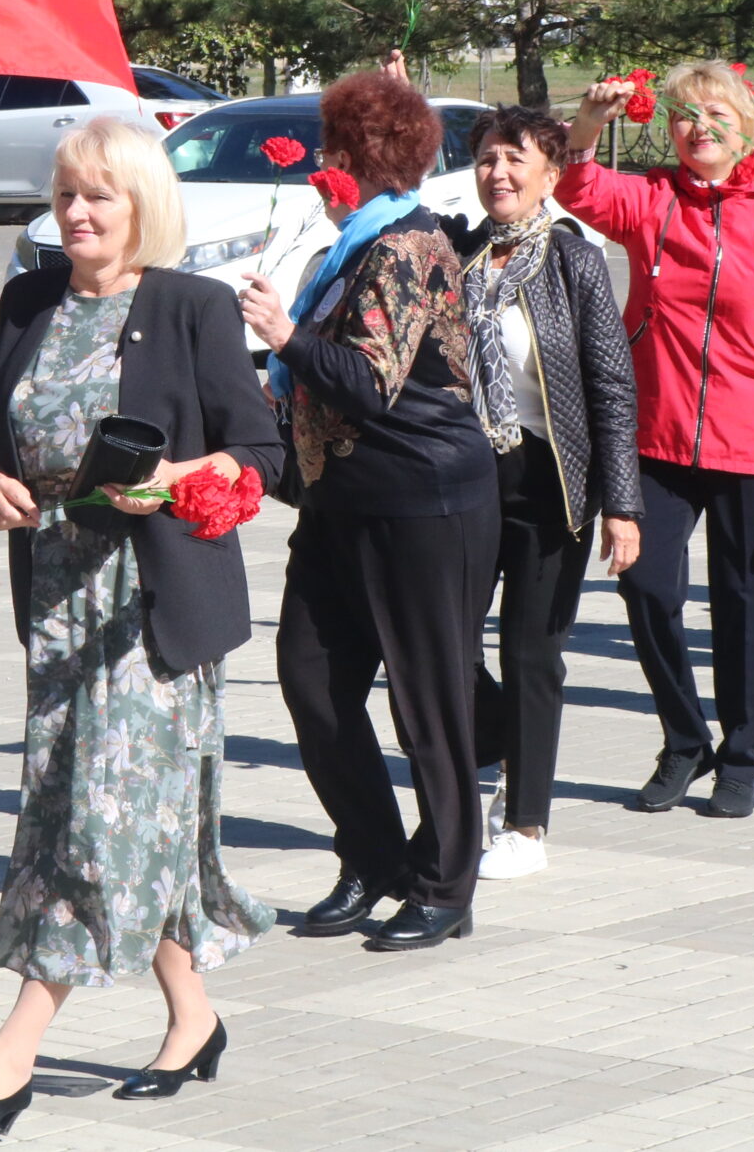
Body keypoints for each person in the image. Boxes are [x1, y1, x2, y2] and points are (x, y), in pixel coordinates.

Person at [0, 118, 281, 1137]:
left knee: (94, 819)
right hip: (56, 601)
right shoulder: (27, 302)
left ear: (142, 205)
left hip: (152, 607)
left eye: (100, 196)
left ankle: (14, 1050)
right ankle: (193, 1019)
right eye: (65, 196)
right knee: (119, 813)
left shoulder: (190, 305)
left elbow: (257, 445)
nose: (78, 213)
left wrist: (168, 481)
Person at [561, 62, 754, 819]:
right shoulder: (654, 200)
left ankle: (742, 755)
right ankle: (684, 737)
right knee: (646, 585)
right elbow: (578, 191)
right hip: (658, 432)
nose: (698, 128)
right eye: (683, 115)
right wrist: (591, 124)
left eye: (714, 114)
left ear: (746, 126)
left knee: (750, 604)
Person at [238, 68, 499, 949]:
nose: (321, 161)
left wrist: (283, 337)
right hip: (342, 500)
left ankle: (446, 883)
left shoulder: (404, 245)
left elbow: (371, 382)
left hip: (424, 501)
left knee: (429, 702)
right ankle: (374, 856)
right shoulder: (353, 241)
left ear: (367, 160)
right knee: (311, 679)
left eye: (334, 149)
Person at [456, 106, 643, 880]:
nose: (498, 173)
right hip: (464, 478)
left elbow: (611, 383)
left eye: (515, 159)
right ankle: (493, 742)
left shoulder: (576, 261)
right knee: (441, 642)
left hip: (549, 480)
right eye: (487, 159)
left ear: (549, 173)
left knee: (532, 651)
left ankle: (526, 822)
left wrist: (623, 503)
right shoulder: (460, 255)